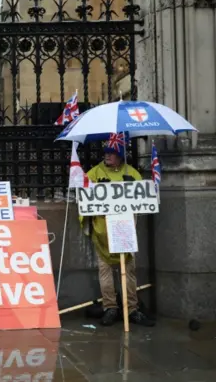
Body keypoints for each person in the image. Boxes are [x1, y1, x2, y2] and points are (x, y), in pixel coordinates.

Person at [81, 136, 155, 327]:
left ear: (120, 156)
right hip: (102, 234)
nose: (107, 156)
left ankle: (131, 309)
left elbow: (140, 203)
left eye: (111, 153)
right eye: (105, 153)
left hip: (124, 233)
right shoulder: (94, 174)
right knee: (104, 272)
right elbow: (84, 200)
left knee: (129, 272)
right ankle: (110, 308)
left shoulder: (133, 174)